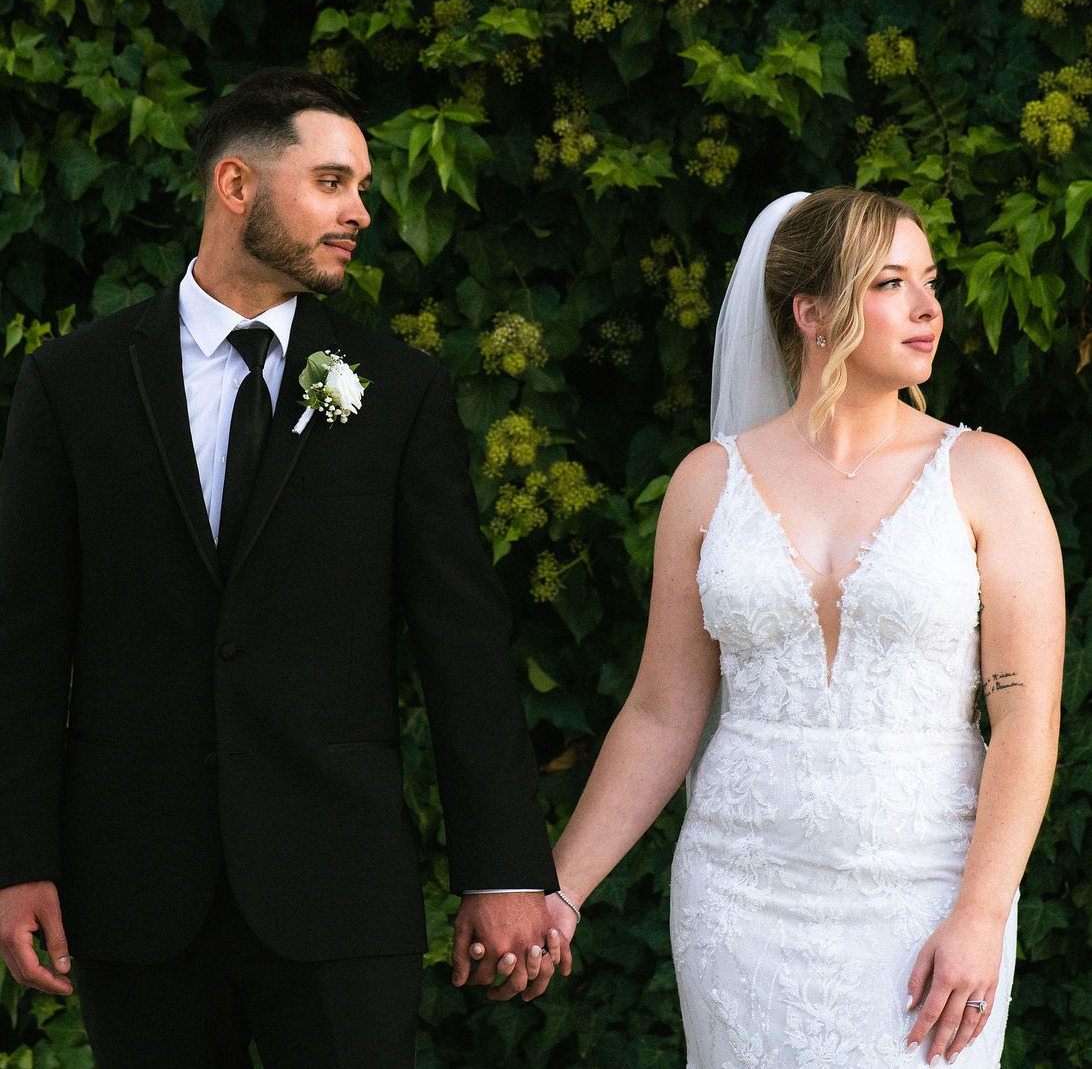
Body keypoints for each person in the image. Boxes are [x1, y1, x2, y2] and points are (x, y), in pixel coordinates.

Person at [0, 67, 568, 1069]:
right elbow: (25, 642)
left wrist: (506, 871)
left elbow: (462, 643)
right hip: (135, 887)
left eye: (361, 190)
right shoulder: (73, 384)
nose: (359, 213)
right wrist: (18, 860)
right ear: (235, 187)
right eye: (333, 183)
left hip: (339, 887)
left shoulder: (394, 391)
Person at [544, 188, 1064, 1067]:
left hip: (929, 894)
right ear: (812, 312)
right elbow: (663, 712)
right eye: (891, 282)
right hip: (739, 898)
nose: (929, 307)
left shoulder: (986, 474)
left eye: (928, 281)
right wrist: (559, 891)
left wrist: (980, 914)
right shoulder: (708, 484)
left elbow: (1026, 718)